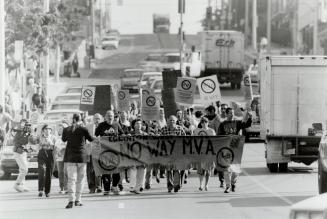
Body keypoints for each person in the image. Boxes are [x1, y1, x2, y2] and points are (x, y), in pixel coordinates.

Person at [62, 113, 96, 209]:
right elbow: (91, 139)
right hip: (81, 157)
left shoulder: (67, 129)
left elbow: (63, 139)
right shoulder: (83, 129)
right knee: (80, 180)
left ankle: (71, 201)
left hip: (70, 157)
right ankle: (78, 200)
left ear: (72, 119)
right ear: (81, 119)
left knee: (71, 180)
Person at [218, 107, 252, 193]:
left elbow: (247, 125)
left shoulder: (237, 123)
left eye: (232, 112)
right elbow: (219, 137)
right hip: (226, 149)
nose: (232, 114)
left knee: (235, 168)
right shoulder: (222, 124)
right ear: (226, 114)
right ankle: (228, 186)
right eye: (229, 113)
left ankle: (233, 183)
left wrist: (250, 117)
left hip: (236, 148)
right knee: (226, 168)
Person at [95, 110, 124, 196]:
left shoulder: (116, 124)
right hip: (104, 152)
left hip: (115, 152)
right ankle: (106, 189)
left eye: (111, 115)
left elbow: (122, 134)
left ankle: (114, 186)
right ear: (105, 117)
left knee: (116, 170)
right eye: (108, 116)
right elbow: (96, 136)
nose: (110, 117)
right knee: (106, 170)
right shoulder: (101, 125)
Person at [160, 115, 186, 193]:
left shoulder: (180, 129)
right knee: (168, 170)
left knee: (176, 169)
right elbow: (160, 140)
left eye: (173, 121)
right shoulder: (164, 129)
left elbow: (185, 140)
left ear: (176, 121)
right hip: (167, 153)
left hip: (177, 152)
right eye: (170, 120)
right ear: (167, 121)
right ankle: (169, 185)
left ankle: (176, 185)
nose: (172, 122)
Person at [193, 117, 216, 191]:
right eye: (202, 122)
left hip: (209, 153)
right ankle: (201, 184)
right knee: (200, 170)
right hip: (200, 152)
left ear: (208, 122)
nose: (204, 123)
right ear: (200, 123)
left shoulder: (211, 131)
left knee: (208, 170)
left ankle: (206, 184)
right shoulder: (196, 130)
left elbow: (215, 141)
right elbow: (193, 141)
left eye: (205, 122)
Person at [36, 124, 57, 197]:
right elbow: (37, 146)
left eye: (49, 129)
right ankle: (41, 190)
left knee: (49, 173)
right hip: (42, 153)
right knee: (41, 171)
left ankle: (47, 191)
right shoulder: (39, 137)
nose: (47, 131)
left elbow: (55, 147)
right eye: (45, 129)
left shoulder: (54, 137)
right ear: (43, 131)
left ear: (51, 131)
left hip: (50, 154)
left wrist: (50, 142)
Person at [129, 119, 147, 194]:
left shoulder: (145, 135)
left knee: (141, 170)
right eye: (137, 123)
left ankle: (139, 187)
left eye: (140, 124)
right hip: (133, 155)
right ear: (133, 125)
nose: (139, 125)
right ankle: (134, 186)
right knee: (133, 170)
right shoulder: (130, 135)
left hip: (143, 155)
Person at [86, 113, 102, 193]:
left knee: (98, 169)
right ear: (93, 119)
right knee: (90, 170)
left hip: (100, 152)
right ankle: (91, 187)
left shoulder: (103, 127)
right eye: (96, 118)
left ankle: (99, 186)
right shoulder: (88, 127)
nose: (97, 120)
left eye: (98, 118)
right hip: (90, 151)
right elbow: (85, 138)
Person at [56, 121, 69, 194]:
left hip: (67, 157)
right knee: (60, 173)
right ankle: (61, 188)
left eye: (62, 129)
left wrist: (63, 149)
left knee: (66, 172)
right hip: (59, 158)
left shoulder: (68, 137)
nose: (60, 130)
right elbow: (55, 147)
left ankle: (67, 188)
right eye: (59, 129)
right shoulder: (56, 137)